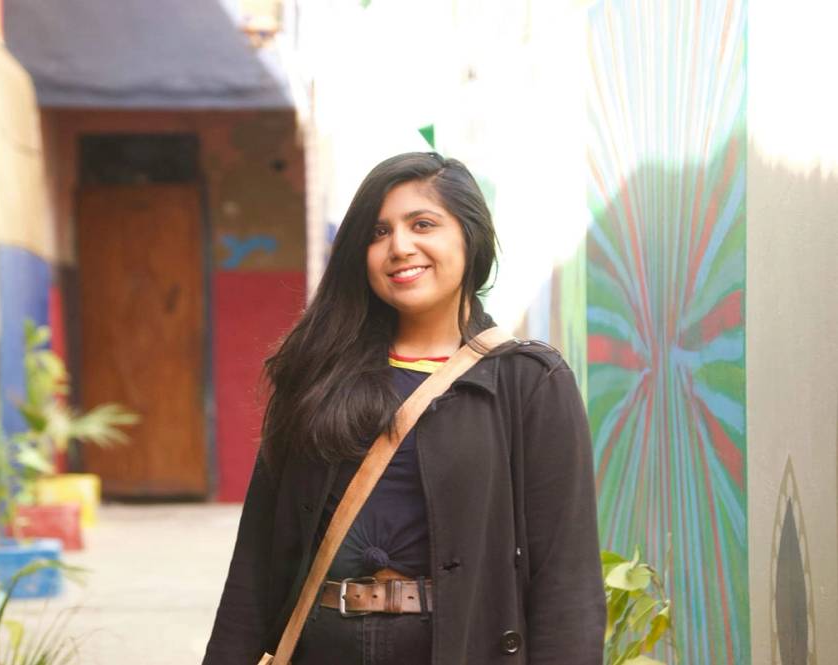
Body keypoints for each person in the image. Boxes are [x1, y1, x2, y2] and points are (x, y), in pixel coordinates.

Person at [203, 152, 605, 664]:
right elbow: (256, 562)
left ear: (470, 236)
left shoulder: (529, 381)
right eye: (378, 232)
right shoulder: (317, 372)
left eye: (423, 224)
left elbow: (567, 579)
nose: (399, 246)